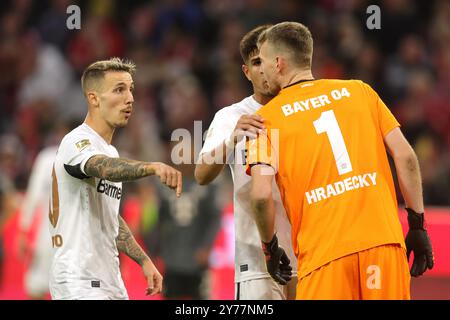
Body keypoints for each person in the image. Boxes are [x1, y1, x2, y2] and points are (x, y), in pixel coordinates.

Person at [246, 22, 434, 300]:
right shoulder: (360, 91)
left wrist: (270, 249)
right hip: (383, 245)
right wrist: (417, 225)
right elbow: (405, 157)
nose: (261, 70)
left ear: (278, 63)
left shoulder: (265, 121)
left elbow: (261, 196)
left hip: (324, 258)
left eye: (262, 61)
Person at [49, 57, 182, 300]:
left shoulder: (110, 150)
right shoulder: (76, 141)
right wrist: (150, 167)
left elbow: (110, 217)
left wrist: (143, 260)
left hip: (109, 279)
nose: (130, 98)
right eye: (119, 90)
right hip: (78, 279)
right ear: (93, 98)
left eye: (131, 89)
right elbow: (103, 168)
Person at [195, 25, 297, 300]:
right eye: (255, 62)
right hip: (256, 259)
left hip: (310, 253)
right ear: (246, 71)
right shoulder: (231, 116)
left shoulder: (301, 108)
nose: (263, 69)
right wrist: (231, 140)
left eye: (267, 60)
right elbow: (201, 174)